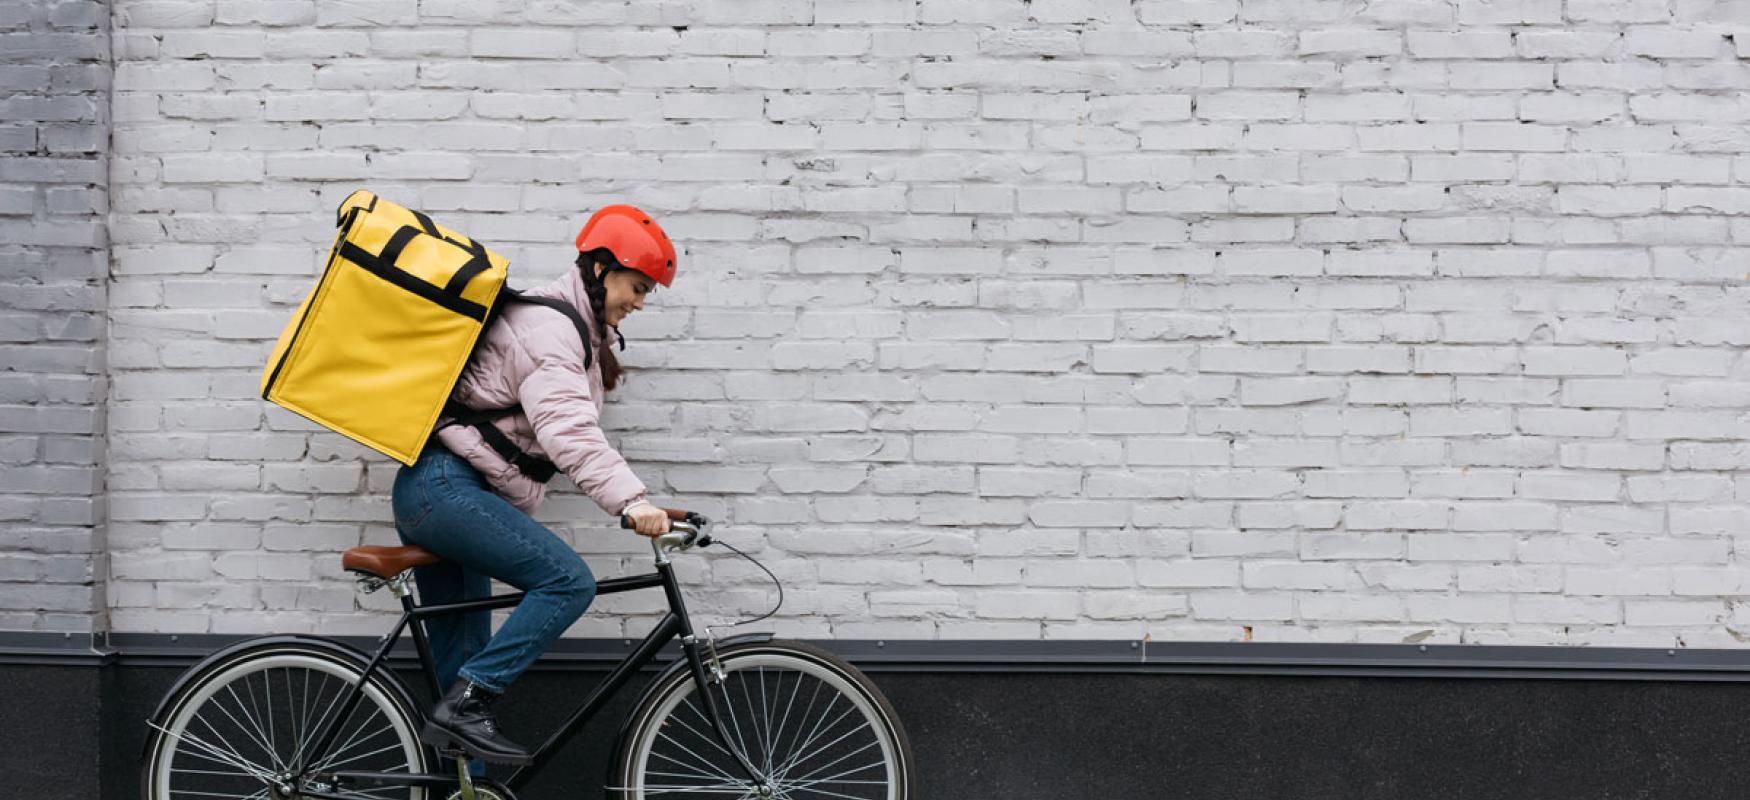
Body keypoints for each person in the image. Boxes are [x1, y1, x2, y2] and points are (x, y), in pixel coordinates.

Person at [389, 204, 678, 765]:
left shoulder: (575, 333)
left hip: (449, 490)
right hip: (446, 488)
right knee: (568, 582)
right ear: (600, 270)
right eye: (637, 286)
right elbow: (567, 431)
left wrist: (650, 504)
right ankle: (469, 704)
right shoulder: (551, 329)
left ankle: (464, 777)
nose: (640, 302)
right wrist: (630, 501)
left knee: (460, 673)